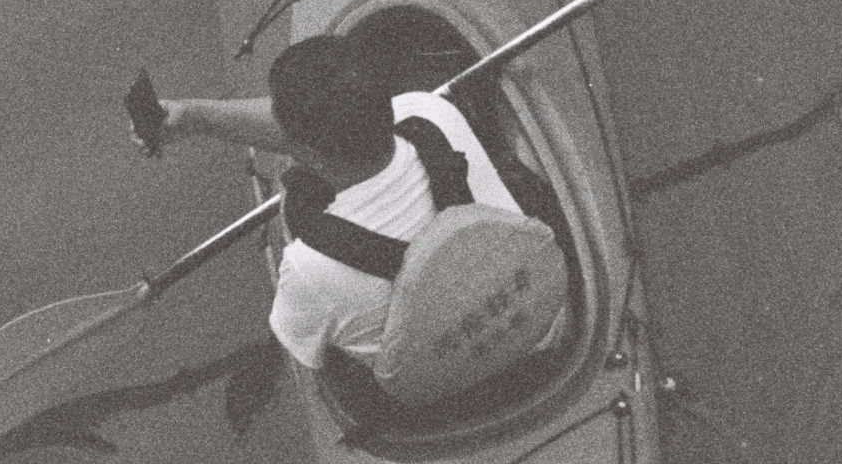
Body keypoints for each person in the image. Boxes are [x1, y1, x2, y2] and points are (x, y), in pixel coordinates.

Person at [135, 33, 542, 376]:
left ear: (304, 150)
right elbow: (315, 130)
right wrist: (196, 116)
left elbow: (304, 354)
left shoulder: (309, 269)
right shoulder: (430, 114)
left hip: (436, 388)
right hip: (534, 326)